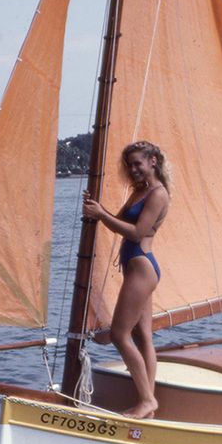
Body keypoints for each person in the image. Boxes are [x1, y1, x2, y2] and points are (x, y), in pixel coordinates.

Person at [82, 140, 170, 419]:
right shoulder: (138, 192)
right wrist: (98, 209)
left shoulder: (157, 194)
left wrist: (101, 214)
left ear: (153, 161)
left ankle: (146, 400)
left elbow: (135, 232)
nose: (133, 170)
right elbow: (115, 219)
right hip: (136, 267)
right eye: (129, 165)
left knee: (119, 335)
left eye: (138, 164)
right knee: (142, 335)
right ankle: (149, 403)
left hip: (142, 267)